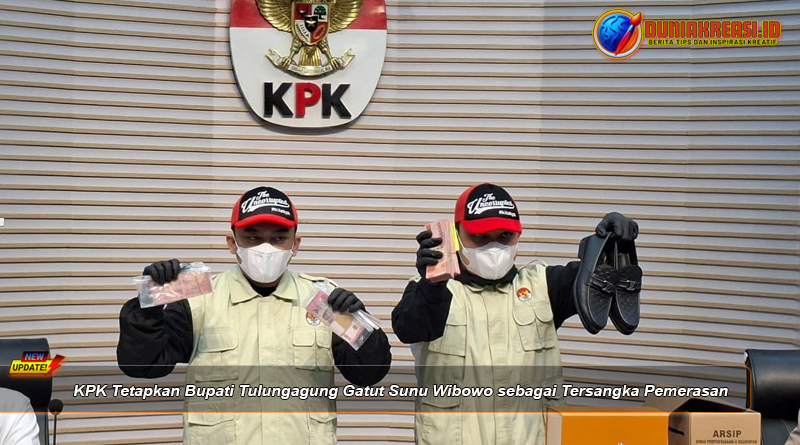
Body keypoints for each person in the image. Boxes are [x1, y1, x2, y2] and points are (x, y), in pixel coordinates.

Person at [117, 186, 392, 445]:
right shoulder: (198, 301)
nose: (265, 248)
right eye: (253, 238)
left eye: (279, 238)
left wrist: (362, 327)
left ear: (295, 244)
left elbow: (369, 374)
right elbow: (142, 365)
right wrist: (148, 306)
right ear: (232, 242)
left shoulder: (324, 301)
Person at [391, 182, 639, 445]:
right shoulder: (433, 291)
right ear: (456, 234)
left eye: (505, 236)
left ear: (518, 235)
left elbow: (592, 277)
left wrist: (609, 246)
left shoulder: (544, 285)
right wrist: (432, 284)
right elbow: (408, 328)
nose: (494, 247)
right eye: (480, 237)